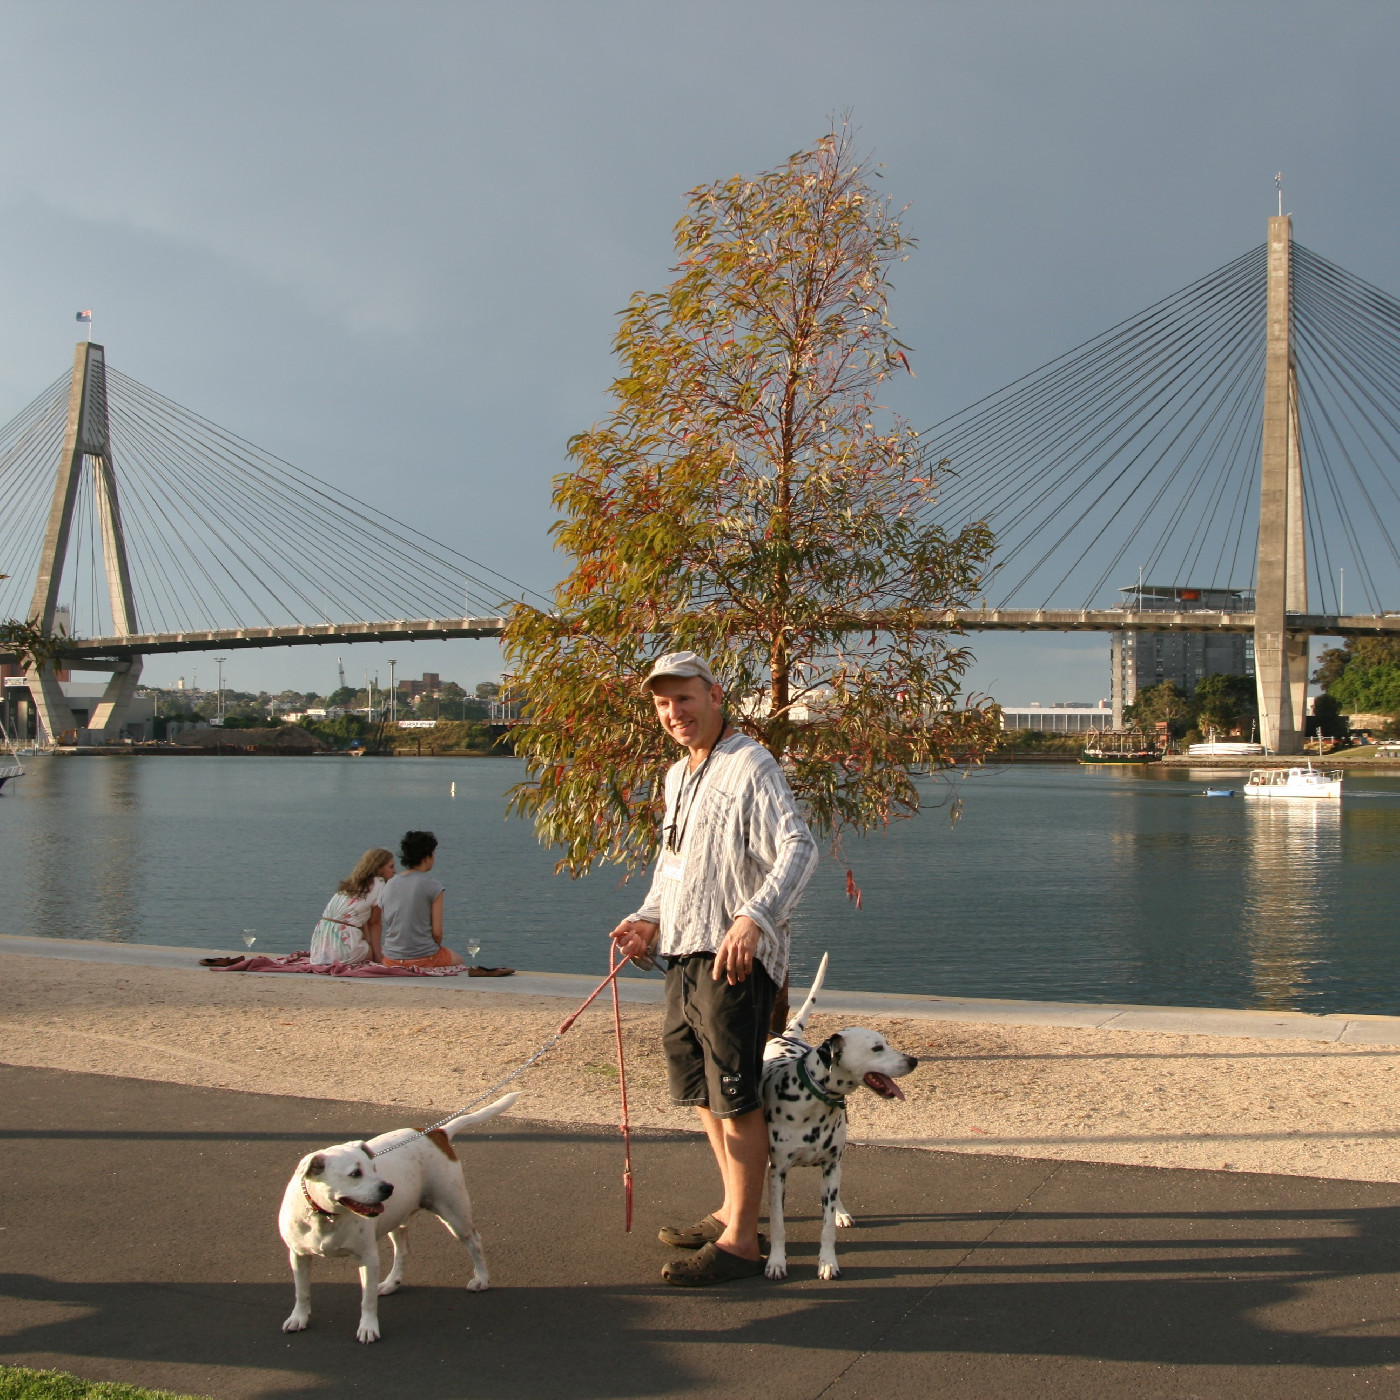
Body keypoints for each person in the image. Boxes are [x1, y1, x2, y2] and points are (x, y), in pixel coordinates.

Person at [610, 651, 818, 1287]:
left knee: (735, 1093)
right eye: (663, 703)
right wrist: (646, 919)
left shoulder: (750, 763)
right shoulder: (677, 776)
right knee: (701, 1089)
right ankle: (735, 1209)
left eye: (685, 699)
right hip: (682, 949)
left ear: (715, 695)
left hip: (732, 957)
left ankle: (741, 1245)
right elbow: (673, 868)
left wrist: (753, 918)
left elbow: (798, 847)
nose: (674, 713)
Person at [379, 830, 465, 968]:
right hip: (423, 958)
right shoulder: (433, 885)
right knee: (459, 961)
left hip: (390, 957)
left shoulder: (389, 884)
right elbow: (437, 933)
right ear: (426, 857)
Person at [309, 847, 395, 966]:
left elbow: (362, 919)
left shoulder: (350, 885)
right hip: (343, 946)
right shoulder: (379, 883)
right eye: (391, 867)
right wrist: (377, 957)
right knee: (372, 951)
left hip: (320, 945)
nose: (394, 871)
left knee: (365, 944)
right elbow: (374, 923)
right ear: (380, 868)